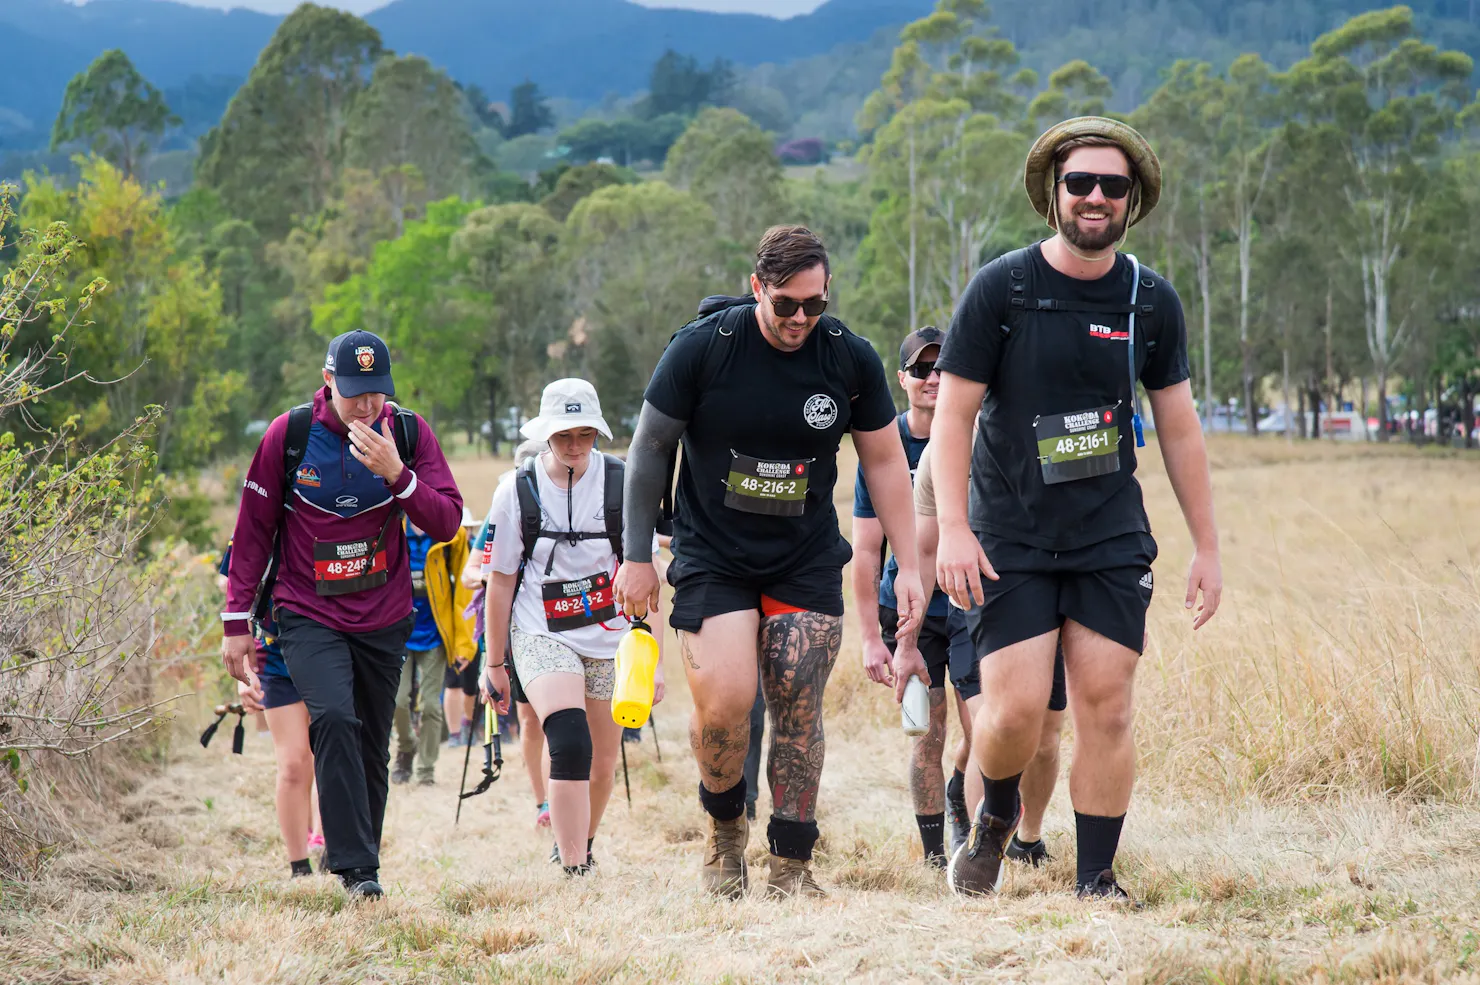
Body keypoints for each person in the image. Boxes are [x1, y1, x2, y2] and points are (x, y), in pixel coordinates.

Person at [931, 118, 1222, 902]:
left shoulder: (1149, 300)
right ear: (1053, 192)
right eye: (1080, 183)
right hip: (1009, 534)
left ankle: (1097, 877)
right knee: (1015, 711)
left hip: (1107, 535)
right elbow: (953, 416)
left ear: (1133, 201)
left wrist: (1207, 545)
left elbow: (1180, 426)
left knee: (1108, 703)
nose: (1095, 197)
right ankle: (995, 817)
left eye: (1113, 186)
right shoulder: (1003, 288)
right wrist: (952, 529)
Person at [615, 225, 924, 900]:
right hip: (712, 554)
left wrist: (914, 561)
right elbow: (647, 451)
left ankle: (791, 862)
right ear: (757, 286)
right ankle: (725, 834)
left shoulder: (848, 358)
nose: (800, 319)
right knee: (724, 706)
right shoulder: (703, 348)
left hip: (804, 557)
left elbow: (884, 461)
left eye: (814, 304)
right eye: (786, 303)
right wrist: (637, 556)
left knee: (797, 696)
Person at [221, 330, 463, 900]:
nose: (368, 405)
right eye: (355, 393)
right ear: (329, 382)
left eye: (377, 392)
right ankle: (357, 872)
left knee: (372, 742)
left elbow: (448, 523)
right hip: (307, 612)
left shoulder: (407, 433)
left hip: (383, 614)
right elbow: (252, 532)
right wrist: (236, 623)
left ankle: (360, 860)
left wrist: (397, 475)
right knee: (332, 718)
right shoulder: (291, 436)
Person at [481, 380, 664, 876]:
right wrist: (494, 663)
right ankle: (574, 866)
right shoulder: (514, 491)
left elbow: (648, 579)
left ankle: (581, 839)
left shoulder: (623, 483)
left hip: (612, 637)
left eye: (585, 434)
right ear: (546, 435)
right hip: (541, 632)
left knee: (603, 764)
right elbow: (499, 584)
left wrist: (656, 663)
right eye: (564, 435)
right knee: (568, 738)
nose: (576, 445)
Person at [852, 326, 987, 868]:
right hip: (909, 610)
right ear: (902, 379)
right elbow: (864, 551)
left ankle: (970, 821)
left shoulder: (981, 434)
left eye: (943, 367)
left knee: (985, 728)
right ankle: (937, 857)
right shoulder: (885, 448)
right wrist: (871, 637)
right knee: (924, 736)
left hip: (974, 600)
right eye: (923, 368)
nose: (934, 377)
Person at [911, 433, 1065, 867]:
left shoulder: (1035, 432)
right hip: (964, 609)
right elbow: (923, 551)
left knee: (1046, 737)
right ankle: (982, 852)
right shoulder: (937, 457)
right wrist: (908, 641)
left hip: (1038, 600)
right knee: (985, 724)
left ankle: (1027, 839)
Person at [217, 540, 324, 877]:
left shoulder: (327, 512)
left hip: (329, 653)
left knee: (328, 755)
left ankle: (326, 842)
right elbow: (233, 592)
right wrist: (244, 676)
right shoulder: (252, 529)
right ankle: (299, 864)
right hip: (274, 657)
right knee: (294, 762)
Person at [467, 439, 552, 828]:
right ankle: (542, 802)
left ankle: (561, 796)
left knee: (559, 719)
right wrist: (497, 575)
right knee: (530, 720)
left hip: (558, 626)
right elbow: (471, 572)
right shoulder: (504, 508)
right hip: (513, 631)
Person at [390, 509, 477, 785]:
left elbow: (465, 591)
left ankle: (426, 770)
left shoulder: (450, 534)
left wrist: (465, 643)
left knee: (430, 705)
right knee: (397, 701)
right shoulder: (390, 527)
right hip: (396, 632)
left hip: (435, 634)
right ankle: (406, 748)